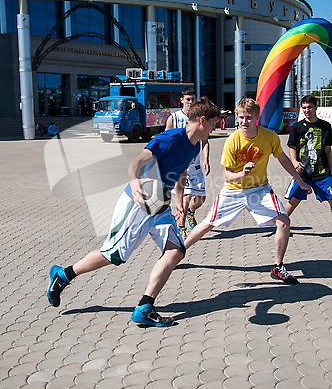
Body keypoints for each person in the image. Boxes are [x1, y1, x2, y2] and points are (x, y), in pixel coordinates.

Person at [47, 98, 221, 327]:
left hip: (160, 205)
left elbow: (181, 174)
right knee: (114, 254)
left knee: (176, 251)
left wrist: (180, 202)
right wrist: (135, 182)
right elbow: (136, 161)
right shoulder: (169, 139)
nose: (215, 128)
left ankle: (145, 307)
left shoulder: (195, 145)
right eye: (214, 123)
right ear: (202, 121)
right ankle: (64, 275)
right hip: (139, 202)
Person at [184, 98, 312, 285]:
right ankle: (178, 251)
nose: (244, 121)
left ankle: (277, 267)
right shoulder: (232, 141)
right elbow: (227, 177)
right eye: (241, 117)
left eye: (249, 118)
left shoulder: (269, 137)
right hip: (233, 191)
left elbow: (283, 159)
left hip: (259, 190)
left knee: (284, 221)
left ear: (257, 117)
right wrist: (241, 174)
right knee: (207, 224)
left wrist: (300, 182)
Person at [165, 88, 210, 238]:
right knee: (184, 196)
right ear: (182, 100)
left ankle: (191, 213)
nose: (191, 102)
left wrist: (206, 160)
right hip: (181, 166)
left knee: (200, 199)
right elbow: (167, 139)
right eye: (188, 99)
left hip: (195, 165)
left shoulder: (199, 118)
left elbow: (205, 141)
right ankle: (181, 227)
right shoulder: (174, 118)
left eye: (193, 99)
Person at [284, 94, 332, 215]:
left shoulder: (325, 127)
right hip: (303, 174)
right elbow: (292, 147)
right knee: (293, 201)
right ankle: (280, 226)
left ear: (316, 107)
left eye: (310, 107)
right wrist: (294, 162)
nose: (307, 110)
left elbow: (328, 150)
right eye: (304, 107)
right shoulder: (296, 127)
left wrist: (331, 169)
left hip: (322, 173)